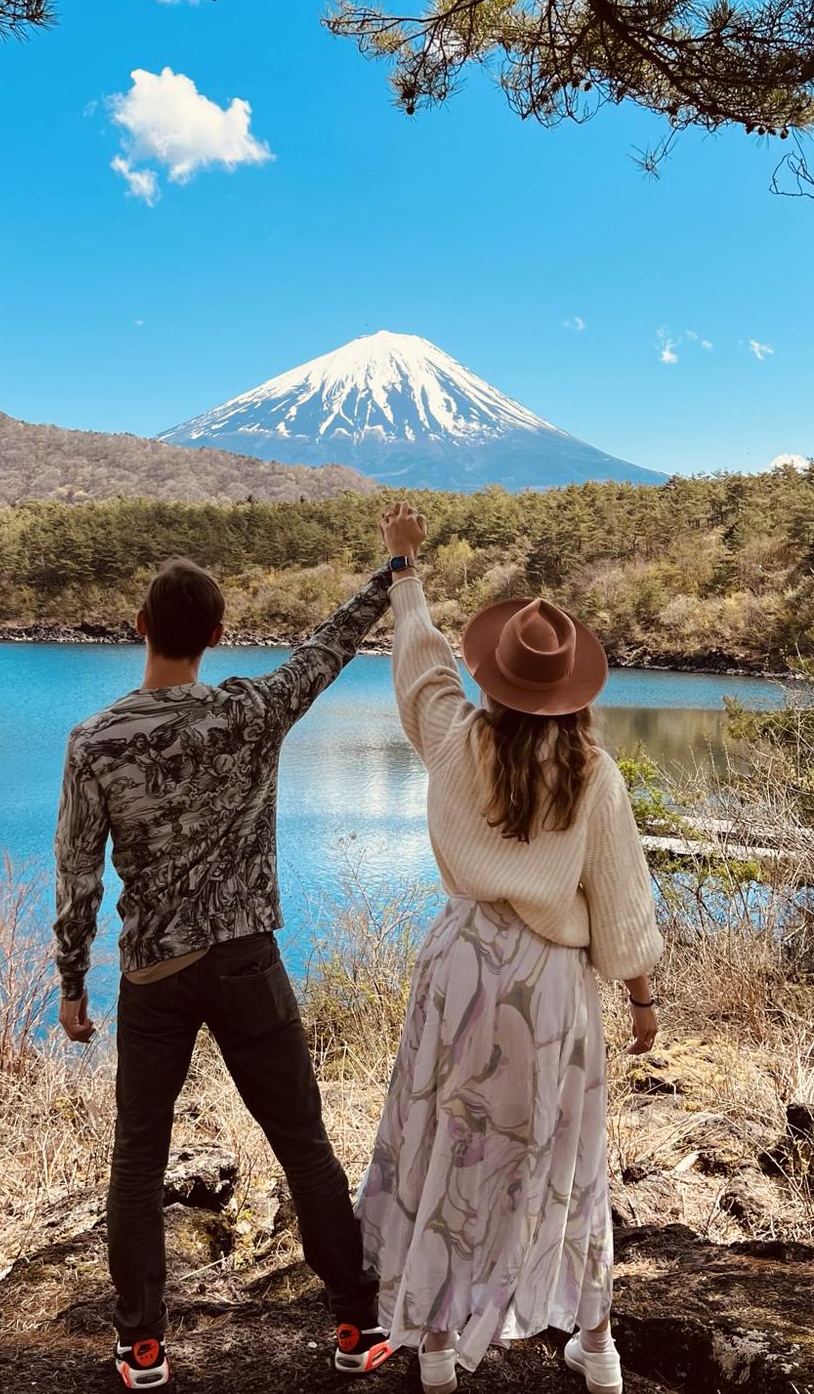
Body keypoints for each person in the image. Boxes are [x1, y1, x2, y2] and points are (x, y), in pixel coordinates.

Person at [53, 556, 399, 1389]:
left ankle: (143, 1344)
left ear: (140, 626)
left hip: (152, 974)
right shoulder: (251, 712)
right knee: (302, 1142)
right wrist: (392, 574)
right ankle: (356, 1324)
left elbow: (77, 871)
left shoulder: (96, 741)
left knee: (139, 1158)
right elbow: (327, 649)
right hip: (246, 959)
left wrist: (72, 980)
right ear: (215, 635)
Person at [358, 502, 663, 1394]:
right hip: (551, 988)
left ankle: (440, 1343)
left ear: (493, 680)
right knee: (565, 1152)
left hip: (461, 968)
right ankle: (597, 1344)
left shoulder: (457, 739)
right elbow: (620, 902)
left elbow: (420, 668)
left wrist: (405, 568)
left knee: (453, 1147)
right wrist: (641, 999)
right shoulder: (595, 777)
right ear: (574, 692)